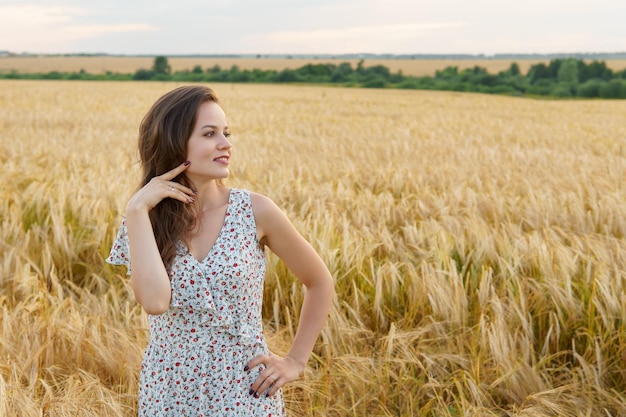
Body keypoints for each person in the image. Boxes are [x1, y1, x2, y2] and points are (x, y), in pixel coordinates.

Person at [106, 85, 334, 416]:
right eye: (209, 134)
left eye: (225, 133)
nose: (226, 144)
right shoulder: (144, 219)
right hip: (169, 390)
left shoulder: (255, 211)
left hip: (245, 389)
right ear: (175, 142)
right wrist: (137, 210)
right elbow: (155, 302)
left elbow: (319, 280)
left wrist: (295, 361)